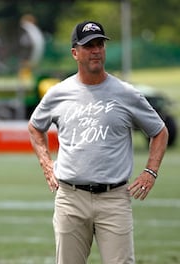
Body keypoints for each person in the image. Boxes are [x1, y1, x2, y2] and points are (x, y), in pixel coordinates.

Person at [28, 21, 168, 264]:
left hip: (114, 198)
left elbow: (159, 131)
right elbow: (35, 127)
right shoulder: (58, 93)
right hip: (70, 198)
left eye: (99, 44)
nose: (96, 50)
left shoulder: (126, 93)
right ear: (75, 53)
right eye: (88, 45)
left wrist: (150, 171)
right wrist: (46, 163)